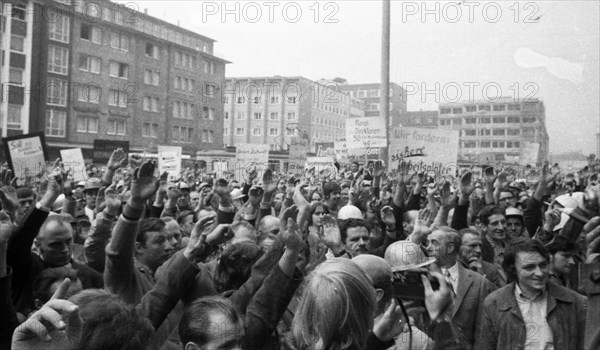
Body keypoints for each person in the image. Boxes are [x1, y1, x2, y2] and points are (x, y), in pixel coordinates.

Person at [480, 239, 587, 350]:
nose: (539, 273)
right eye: (529, 267)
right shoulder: (495, 302)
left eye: (543, 265)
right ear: (512, 269)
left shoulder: (575, 302)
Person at [425, 227, 495, 349]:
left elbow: (482, 332)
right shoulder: (423, 277)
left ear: (450, 248)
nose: (428, 248)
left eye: (434, 243)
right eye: (428, 242)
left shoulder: (478, 282)